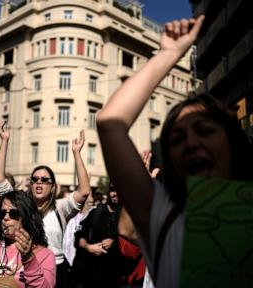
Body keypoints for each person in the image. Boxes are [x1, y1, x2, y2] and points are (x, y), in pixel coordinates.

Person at [96, 14, 253, 287]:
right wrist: (169, 54)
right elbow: (110, 122)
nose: (191, 143)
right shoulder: (165, 221)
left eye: (204, 131)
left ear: (232, 140)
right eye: (178, 138)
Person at [0, 122, 91, 287]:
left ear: (53, 186)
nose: (39, 183)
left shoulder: (60, 207)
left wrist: (76, 153)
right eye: (35, 179)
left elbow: (84, 191)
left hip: (57, 270)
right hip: (24, 266)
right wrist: (4, 141)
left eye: (45, 180)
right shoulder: (21, 205)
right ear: (31, 184)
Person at [73, 187, 123, 288]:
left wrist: (115, 242)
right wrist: (88, 247)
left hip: (117, 276)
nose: (115, 194)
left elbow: (136, 242)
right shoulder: (97, 211)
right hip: (93, 275)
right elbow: (79, 235)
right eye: (113, 190)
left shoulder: (128, 214)